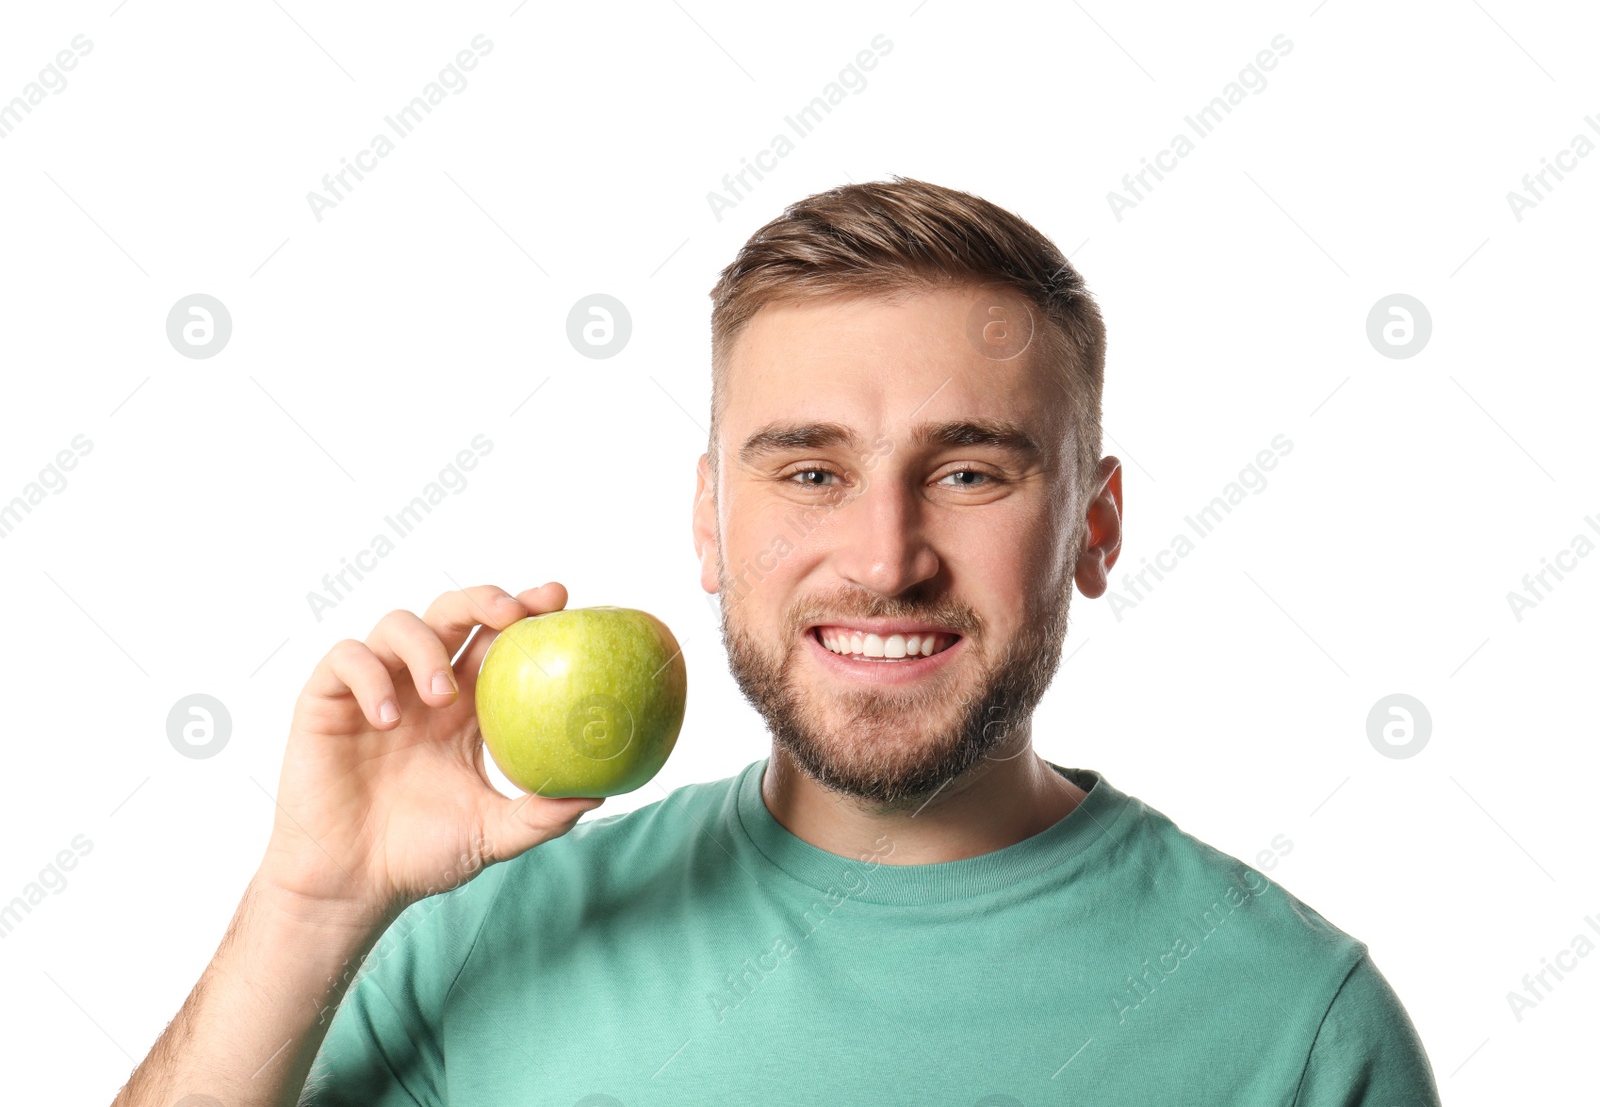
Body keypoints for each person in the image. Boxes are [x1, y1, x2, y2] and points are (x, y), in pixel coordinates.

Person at [113, 177, 1442, 1106]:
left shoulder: (1298, 1028)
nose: (884, 557)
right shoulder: (479, 936)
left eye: (971, 472)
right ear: (708, 519)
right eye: (809, 473)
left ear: (1095, 528)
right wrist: (309, 906)